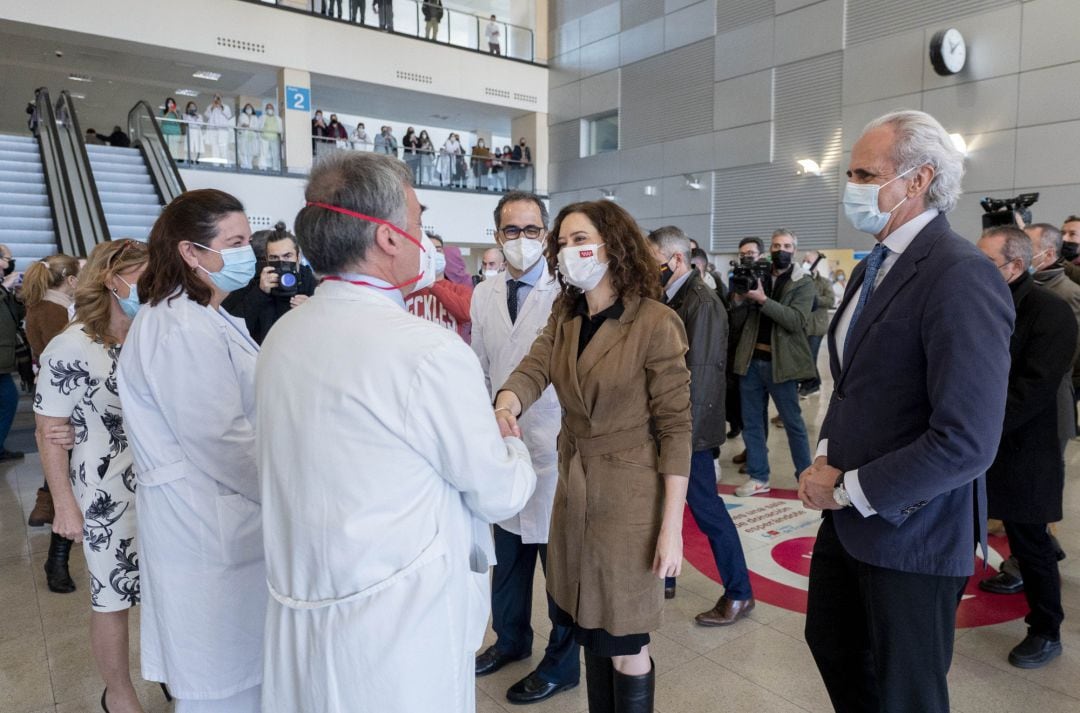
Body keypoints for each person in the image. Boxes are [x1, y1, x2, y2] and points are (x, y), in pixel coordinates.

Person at [259, 151, 536, 713]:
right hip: (399, 626)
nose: (422, 239)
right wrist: (507, 435)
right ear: (387, 238)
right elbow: (499, 491)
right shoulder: (426, 350)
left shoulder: (286, 334)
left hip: (307, 606)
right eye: (416, 223)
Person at [799, 110, 1014, 713]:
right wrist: (823, 459)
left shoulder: (959, 273)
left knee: (906, 693)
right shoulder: (872, 266)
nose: (852, 187)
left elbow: (967, 439)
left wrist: (847, 489)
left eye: (865, 173)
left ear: (919, 180)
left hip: (913, 529)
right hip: (849, 516)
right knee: (835, 646)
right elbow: (851, 385)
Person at [494, 200, 692, 712]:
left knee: (627, 643)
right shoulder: (568, 313)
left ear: (613, 244)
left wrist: (671, 528)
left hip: (630, 499)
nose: (567, 251)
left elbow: (675, 429)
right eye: (561, 243)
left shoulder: (655, 322)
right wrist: (509, 399)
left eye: (578, 239)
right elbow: (535, 365)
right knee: (589, 628)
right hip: (575, 488)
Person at [118, 189, 265, 712]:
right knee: (221, 687)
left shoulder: (203, 316)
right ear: (191, 252)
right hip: (207, 525)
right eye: (236, 242)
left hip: (218, 519)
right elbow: (220, 440)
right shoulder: (178, 326)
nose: (251, 252)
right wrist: (287, 491)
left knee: (237, 676)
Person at [470, 192, 580, 704]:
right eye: (511, 231)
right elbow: (480, 366)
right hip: (503, 443)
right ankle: (511, 639)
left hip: (556, 445)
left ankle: (563, 662)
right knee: (508, 556)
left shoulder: (568, 295)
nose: (522, 241)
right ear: (497, 235)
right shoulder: (484, 293)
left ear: (547, 234)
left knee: (558, 566)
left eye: (532, 230)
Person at [34, 239, 151, 713]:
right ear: (112, 279)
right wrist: (65, 506)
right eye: (147, 276)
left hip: (161, 485)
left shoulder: (149, 332)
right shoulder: (72, 345)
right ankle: (118, 694)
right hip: (105, 493)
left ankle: (171, 670)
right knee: (112, 597)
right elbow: (47, 431)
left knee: (168, 591)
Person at [976, 226, 1075, 669]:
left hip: (1023, 446)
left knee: (1029, 539)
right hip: (976, 440)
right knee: (985, 529)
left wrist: (978, 427)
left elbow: (1034, 389)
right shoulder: (980, 302)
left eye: (986, 262)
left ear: (1015, 266)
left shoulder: (1050, 312)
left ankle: (1046, 628)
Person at [648, 226, 754, 627]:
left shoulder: (702, 302)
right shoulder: (669, 296)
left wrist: (680, 439)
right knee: (662, 505)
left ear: (676, 259)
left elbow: (702, 376)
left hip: (688, 430)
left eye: (652, 258)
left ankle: (740, 592)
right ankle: (666, 577)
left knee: (707, 510)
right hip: (668, 426)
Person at [731, 228, 815, 497]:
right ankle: (758, 476)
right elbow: (737, 309)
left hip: (782, 364)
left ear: (795, 250)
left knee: (793, 424)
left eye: (787, 246)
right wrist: (741, 294)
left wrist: (763, 300)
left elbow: (795, 321)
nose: (782, 250)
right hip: (752, 360)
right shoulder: (760, 274)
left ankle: (805, 477)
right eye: (777, 245)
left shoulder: (803, 282)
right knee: (752, 422)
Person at [23, 254, 81, 593]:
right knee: (63, 478)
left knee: (61, 476)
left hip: (60, 401)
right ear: (70, 281)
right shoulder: (54, 311)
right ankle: (56, 560)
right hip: (63, 405)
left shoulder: (45, 306)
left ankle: (46, 512)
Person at [222, 222, 316, 344]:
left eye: (287, 256)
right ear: (266, 259)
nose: (282, 263)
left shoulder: (312, 284)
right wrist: (259, 293)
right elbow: (232, 330)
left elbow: (328, 332)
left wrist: (312, 310)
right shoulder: (252, 281)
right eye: (274, 258)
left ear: (298, 257)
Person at [405, 233, 472, 342]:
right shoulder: (408, 290)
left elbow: (466, 314)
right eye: (429, 250)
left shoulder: (460, 290)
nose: (434, 254)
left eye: (438, 250)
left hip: (448, 353)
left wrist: (432, 285)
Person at [797, 250, 835, 397]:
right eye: (805, 260)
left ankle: (810, 385)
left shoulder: (824, 282)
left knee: (810, 356)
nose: (805, 262)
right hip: (802, 326)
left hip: (817, 326)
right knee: (804, 357)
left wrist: (814, 299)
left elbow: (830, 300)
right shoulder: (800, 280)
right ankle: (814, 383)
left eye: (809, 260)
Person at [203, 96, 233, 163]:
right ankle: (216, 163)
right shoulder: (210, 106)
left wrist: (221, 106)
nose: (217, 99)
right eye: (215, 97)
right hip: (213, 130)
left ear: (221, 98)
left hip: (223, 131)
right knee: (214, 147)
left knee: (223, 147)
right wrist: (212, 107)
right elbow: (207, 115)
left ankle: (225, 163)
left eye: (218, 97)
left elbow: (229, 116)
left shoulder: (226, 107)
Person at [237, 104, 260, 170]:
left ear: (252, 109)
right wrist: (250, 127)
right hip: (244, 135)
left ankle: (249, 163)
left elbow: (256, 126)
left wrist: (249, 126)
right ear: (245, 109)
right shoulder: (242, 115)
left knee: (251, 150)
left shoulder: (255, 117)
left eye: (250, 108)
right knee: (242, 150)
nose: (249, 109)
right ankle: (244, 163)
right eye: (247, 108)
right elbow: (243, 124)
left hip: (252, 135)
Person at [260, 103, 281, 171]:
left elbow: (280, 129)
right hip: (264, 138)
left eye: (271, 108)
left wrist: (281, 138)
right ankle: (263, 166)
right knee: (264, 153)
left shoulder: (277, 118)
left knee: (275, 154)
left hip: (274, 138)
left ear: (273, 109)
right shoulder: (263, 117)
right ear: (266, 110)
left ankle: (275, 167)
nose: (270, 109)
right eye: (268, 108)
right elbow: (259, 127)